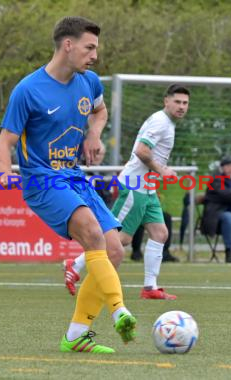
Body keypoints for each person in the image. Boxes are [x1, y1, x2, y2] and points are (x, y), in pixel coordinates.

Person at [0, 16, 136, 354]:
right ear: (68, 45)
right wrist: (3, 172)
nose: (95, 56)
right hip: (42, 180)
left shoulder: (89, 82)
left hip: (74, 177)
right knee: (91, 231)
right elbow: (4, 142)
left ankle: (76, 335)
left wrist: (94, 134)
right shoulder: (28, 90)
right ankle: (120, 311)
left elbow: (99, 113)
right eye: (90, 47)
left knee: (114, 250)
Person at [66, 84, 190, 300]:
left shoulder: (167, 123)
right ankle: (75, 264)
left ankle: (150, 288)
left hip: (147, 188)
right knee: (119, 239)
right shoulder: (161, 122)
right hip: (135, 186)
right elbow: (142, 151)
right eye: (177, 101)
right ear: (166, 101)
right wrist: (163, 170)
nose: (181, 106)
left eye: (185, 103)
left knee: (160, 233)